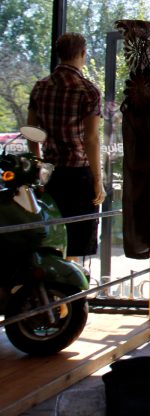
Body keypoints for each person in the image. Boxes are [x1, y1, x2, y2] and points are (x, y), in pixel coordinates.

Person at [27, 32, 106, 262]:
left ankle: (56, 295)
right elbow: (91, 139)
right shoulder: (88, 90)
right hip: (79, 176)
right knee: (75, 244)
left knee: (53, 239)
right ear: (83, 53)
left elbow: (32, 133)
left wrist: (39, 168)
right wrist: (97, 180)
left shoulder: (40, 87)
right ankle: (71, 296)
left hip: (51, 174)